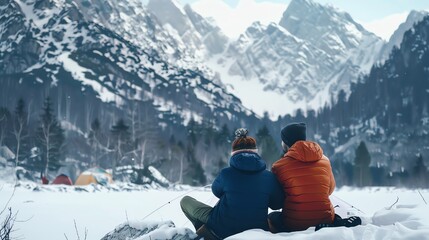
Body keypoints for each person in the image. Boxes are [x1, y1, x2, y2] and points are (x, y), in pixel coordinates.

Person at [180, 128, 284, 239]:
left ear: (233, 154)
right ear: (256, 152)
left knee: (185, 201)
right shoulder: (269, 177)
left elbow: (216, 191)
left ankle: (205, 233)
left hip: (221, 229)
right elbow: (277, 204)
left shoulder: (226, 174)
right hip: (256, 232)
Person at [269, 122, 360, 232]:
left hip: (295, 223)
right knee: (332, 214)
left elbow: (278, 198)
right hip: (325, 218)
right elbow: (329, 190)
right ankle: (337, 222)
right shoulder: (325, 160)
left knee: (272, 217)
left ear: (286, 142)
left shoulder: (279, 166)